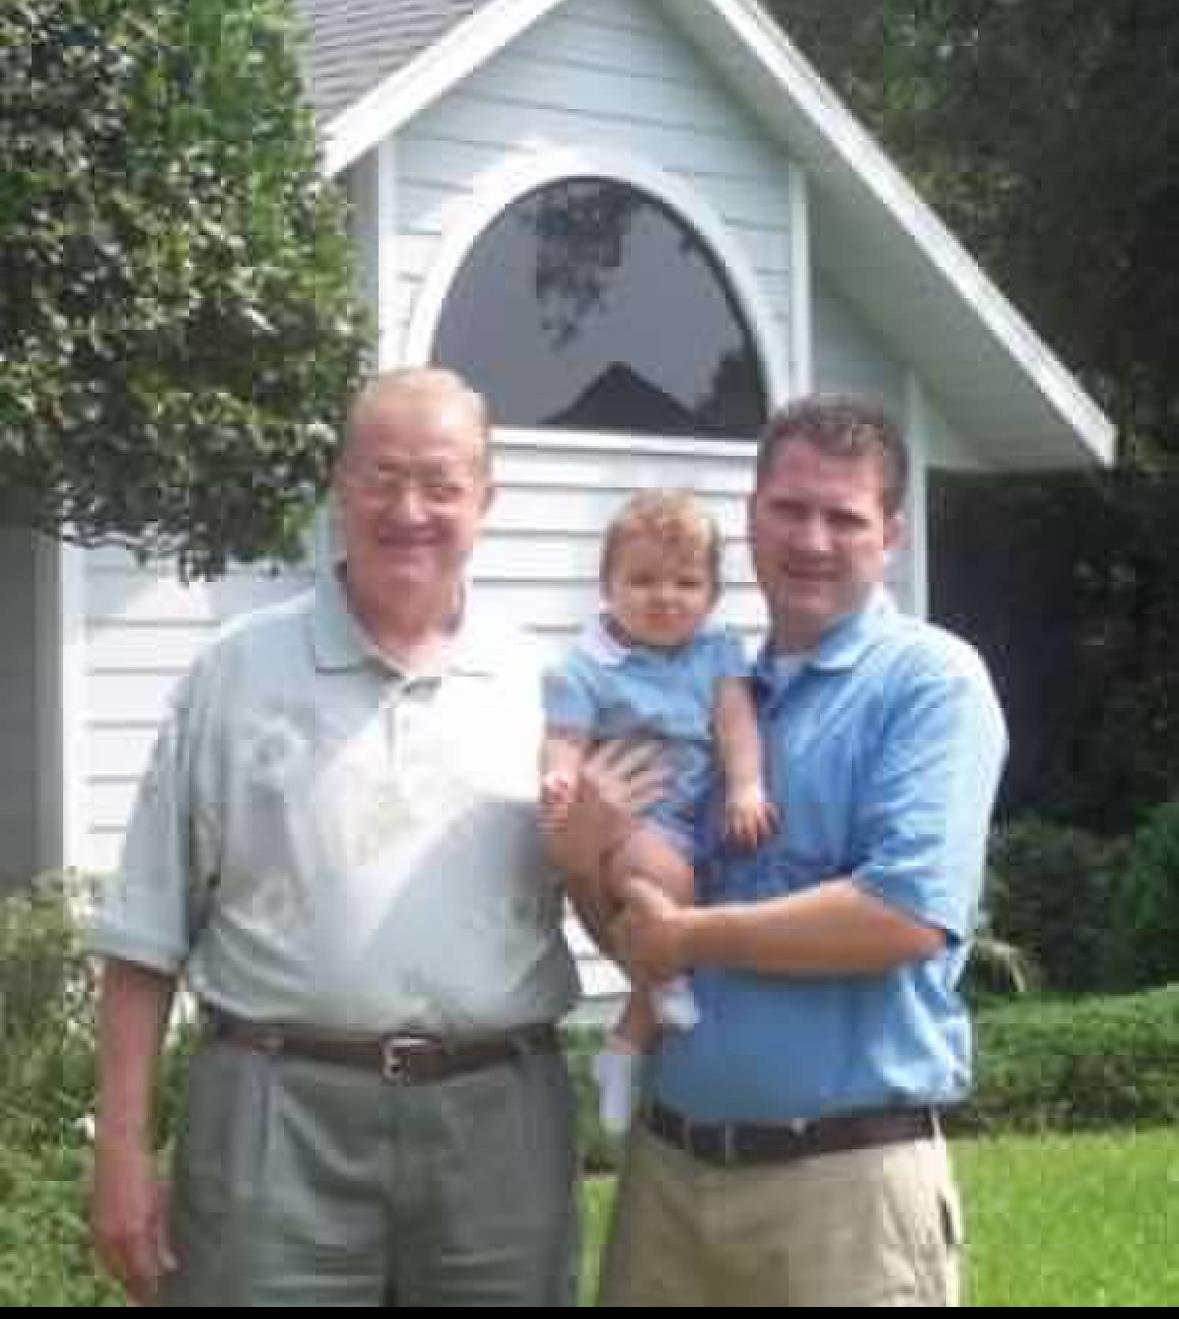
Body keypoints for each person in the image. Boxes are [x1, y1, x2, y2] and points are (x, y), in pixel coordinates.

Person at [88, 367, 583, 1307]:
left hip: (497, 1124)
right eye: (380, 476)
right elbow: (144, 937)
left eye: (441, 484)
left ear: (486, 497)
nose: (410, 510)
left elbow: (613, 893)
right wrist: (120, 1147)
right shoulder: (232, 675)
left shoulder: (549, 686)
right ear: (337, 483)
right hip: (274, 1117)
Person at [551, 394, 1008, 1308]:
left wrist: (690, 938)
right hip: (669, 1177)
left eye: (844, 516)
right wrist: (579, 862)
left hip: (843, 1189)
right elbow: (646, 942)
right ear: (751, 517)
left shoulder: (928, 683)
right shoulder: (702, 702)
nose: (812, 537)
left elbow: (902, 915)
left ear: (890, 535)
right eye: (789, 508)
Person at [540, 490, 776, 1132]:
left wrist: (747, 787)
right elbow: (565, 738)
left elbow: (736, 722)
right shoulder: (587, 666)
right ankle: (659, 995)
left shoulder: (717, 650)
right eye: (641, 580)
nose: (665, 596)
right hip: (633, 826)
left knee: (692, 908)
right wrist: (561, 779)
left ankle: (624, 1046)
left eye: (686, 581)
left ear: (712, 593)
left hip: (697, 823)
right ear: (607, 586)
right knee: (671, 891)